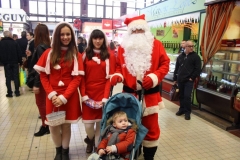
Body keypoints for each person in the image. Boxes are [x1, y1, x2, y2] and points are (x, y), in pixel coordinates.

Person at [110, 14, 170, 160]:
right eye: (134, 31)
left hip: (150, 98)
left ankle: (149, 157)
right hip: (129, 97)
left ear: (146, 30)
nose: (137, 33)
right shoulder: (123, 48)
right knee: (129, 127)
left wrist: (154, 77)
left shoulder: (156, 45)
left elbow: (165, 64)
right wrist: (118, 75)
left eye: (140, 30)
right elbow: (118, 66)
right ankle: (132, 153)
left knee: (151, 129)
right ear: (129, 33)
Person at [34, 22, 84, 160]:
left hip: (69, 96)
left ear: (72, 36)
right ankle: (58, 151)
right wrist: (51, 94)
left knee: (66, 125)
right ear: (56, 36)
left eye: (68, 34)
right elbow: (43, 75)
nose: (65, 37)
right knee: (53, 126)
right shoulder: (48, 53)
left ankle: (65, 152)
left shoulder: (76, 54)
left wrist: (64, 97)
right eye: (62, 34)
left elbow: (77, 79)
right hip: (53, 97)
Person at [80, 29, 116, 154]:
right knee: (88, 125)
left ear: (103, 39)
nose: (97, 41)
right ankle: (89, 140)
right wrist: (83, 95)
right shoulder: (85, 54)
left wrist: (106, 97)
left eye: (100, 38)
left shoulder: (109, 55)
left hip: (102, 94)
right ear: (91, 39)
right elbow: (81, 77)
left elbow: (109, 79)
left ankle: (96, 145)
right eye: (95, 38)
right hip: (88, 94)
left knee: (100, 124)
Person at [30, 24, 51, 137]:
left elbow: (40, 68)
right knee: (45, 103)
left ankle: (45, 125)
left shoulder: (40, 47)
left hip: (41, 81)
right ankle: (47, 124)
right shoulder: (48, 46)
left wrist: (36, 84)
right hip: (48, 80)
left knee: (41, 103)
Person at [173, 40, 201, 120]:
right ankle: (181, 109)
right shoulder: (180, 56)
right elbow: (177, 68)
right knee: (181, 96)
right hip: (180, 79)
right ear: (185, 47)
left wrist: (192, 78)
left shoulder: (196, 57)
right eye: (190, 46)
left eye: (193, 46)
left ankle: (187, 112)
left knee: (187, 96)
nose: (192, 48)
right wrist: (175, 78)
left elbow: (198, 69)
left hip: (189, 81)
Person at [0, 31, 22, 97]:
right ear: (10, 35)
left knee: (8, 77)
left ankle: (9, 92)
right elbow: (19, 52)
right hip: (15, 62)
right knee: (16, 77)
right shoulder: (14, 42)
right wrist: (20, 61)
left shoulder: (1, 43)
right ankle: (17, 92)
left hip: (6, 63)